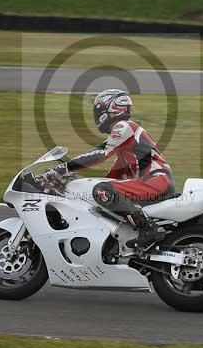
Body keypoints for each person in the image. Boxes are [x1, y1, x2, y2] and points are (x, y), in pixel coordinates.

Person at [50, 88, 175, 248]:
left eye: (98, 110)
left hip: (155, 181)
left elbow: (100, 153)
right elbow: (113, 177)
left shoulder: (123, 126)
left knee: (102, 191)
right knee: (103, 191)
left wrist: (63, 168)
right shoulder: (127, 145)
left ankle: (148, 228)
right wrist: (82, 182)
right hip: (157, 181)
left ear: (108, 108)